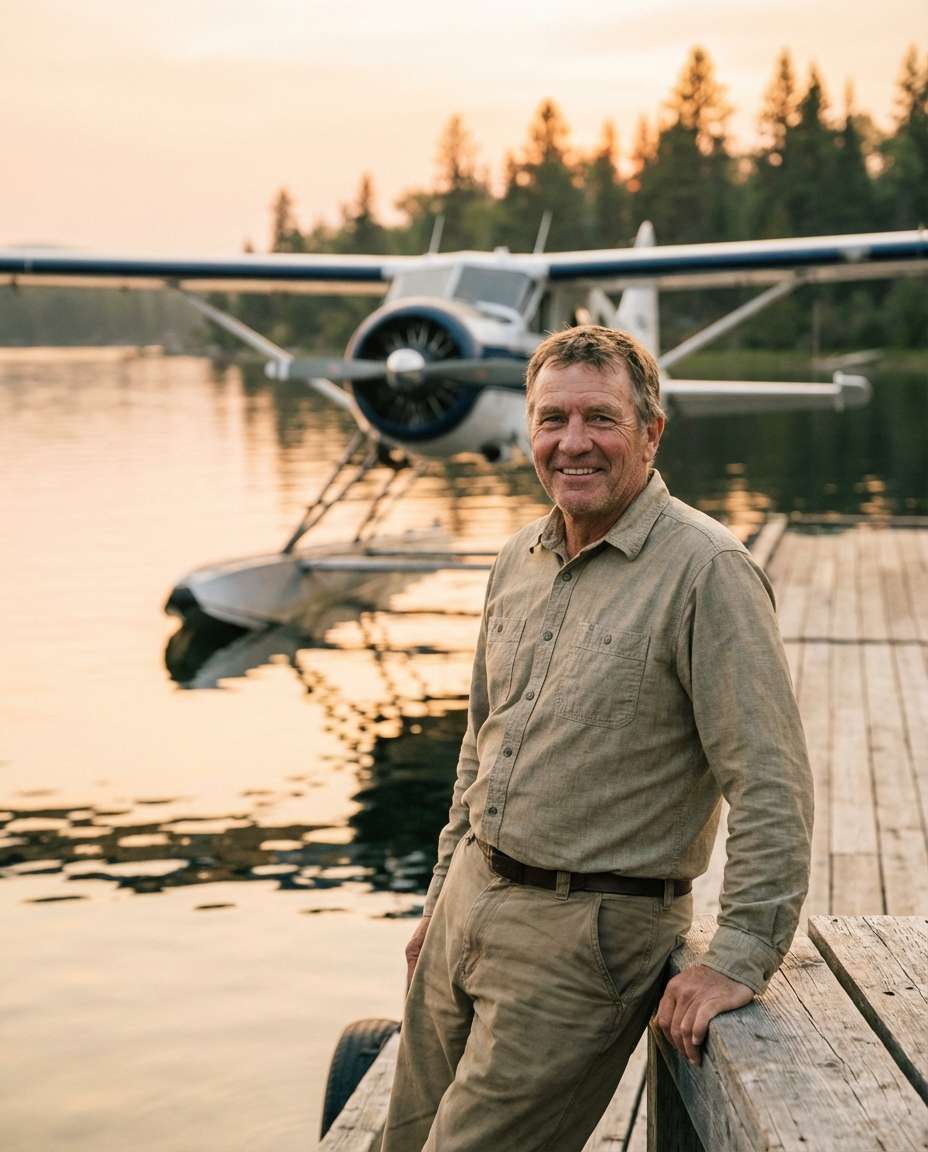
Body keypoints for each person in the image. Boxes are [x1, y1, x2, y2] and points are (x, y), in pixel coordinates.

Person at [380, 325, 813, 1152]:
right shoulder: (518, 558)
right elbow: (481, 745)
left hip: (587, 941)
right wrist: (442, 891)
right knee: (399, 1139)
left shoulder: (707, 571)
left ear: (651, 432)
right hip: (469, 899)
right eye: (551, 420)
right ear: (528, 431)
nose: (571, 443)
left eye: (599, 419)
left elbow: (771, 780)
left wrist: (740, 954)